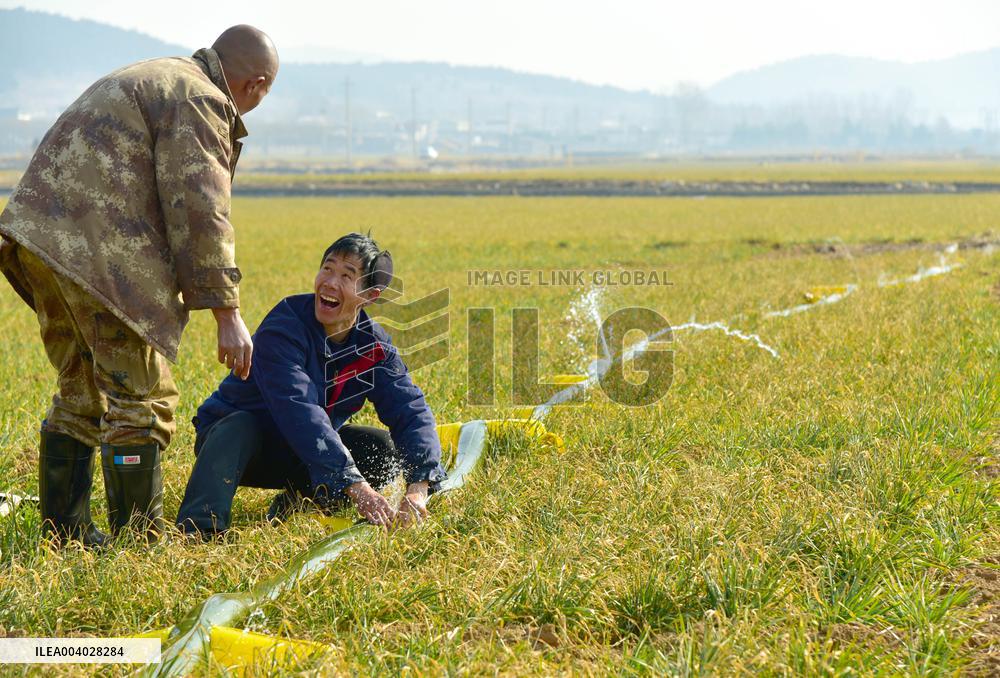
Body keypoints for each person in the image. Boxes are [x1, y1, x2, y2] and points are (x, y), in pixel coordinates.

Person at [0, 26, 278, 546]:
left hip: (38, 243)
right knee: (142, 397)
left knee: (82, 388)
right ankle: (138, 543)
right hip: (99, 258)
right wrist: (227, 312)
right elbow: (200, 210)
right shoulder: (201, 98)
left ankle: (66, 533)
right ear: (257, 84)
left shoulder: (160, 74)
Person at [175, 233, 447, 537]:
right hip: (241, 447)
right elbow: (300, 411)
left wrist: (418, 489)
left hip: (305, 453)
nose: (330, 282)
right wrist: (358, 488)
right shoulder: (284, 327)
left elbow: (409, 409)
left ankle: (300, 502)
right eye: (327, 269)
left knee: (379, 448)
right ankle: (199, 530)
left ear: (369, 296)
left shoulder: (373, 346)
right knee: (238, 425)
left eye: (347, 276)